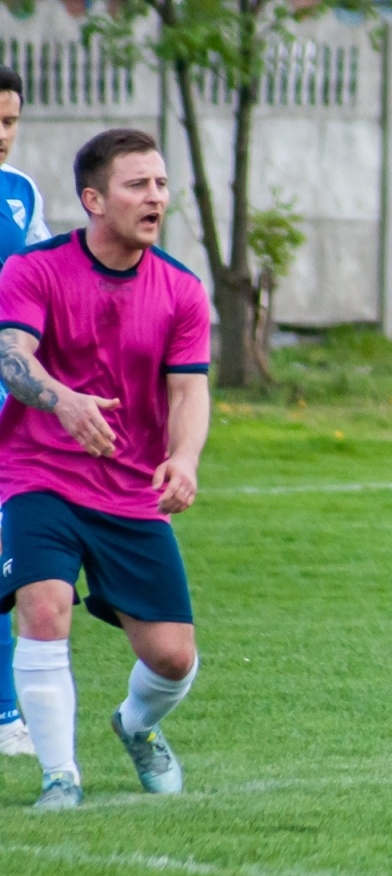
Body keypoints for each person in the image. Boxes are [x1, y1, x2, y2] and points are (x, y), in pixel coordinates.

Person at [0, 128, 211, 809]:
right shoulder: (35, 270)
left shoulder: (182, 290)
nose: (155, 197)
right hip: (38, 474)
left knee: (173, 657)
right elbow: (11, 355)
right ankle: (61, 776)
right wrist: (60, 402)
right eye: (137, 185)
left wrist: (182, 458)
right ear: (93, 199)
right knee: (43, 605)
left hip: (128, 490)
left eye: (161, 184)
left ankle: (136, 726)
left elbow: (188, 390)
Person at [0, 64, 53, 758]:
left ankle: (7, 713)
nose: (2, 135)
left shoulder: (20, 193)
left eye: (9, 121)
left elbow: (44, 287)